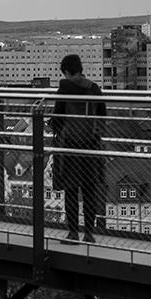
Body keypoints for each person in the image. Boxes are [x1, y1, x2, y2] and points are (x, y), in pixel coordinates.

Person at [51, 53, 106, 242]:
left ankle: (73, 233)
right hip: (91, 145)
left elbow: (57, 117)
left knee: (71, 190)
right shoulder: (94, 88)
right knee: (90, 190)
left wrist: (54, 126)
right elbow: (102, 115)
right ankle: (89, 234)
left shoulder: (65, 87)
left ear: (66, 71)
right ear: (81, 69)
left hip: (70, 146)